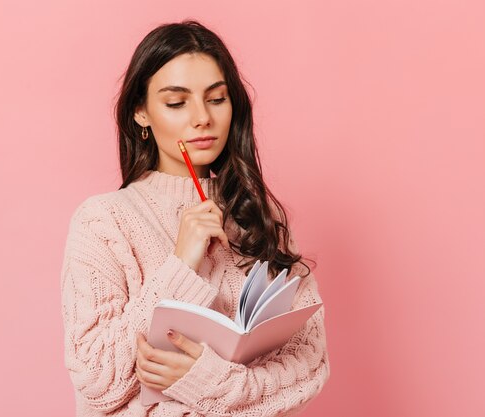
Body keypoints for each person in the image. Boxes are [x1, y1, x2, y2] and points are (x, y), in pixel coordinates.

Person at [61, 19, 330, 417]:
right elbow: (96, 381)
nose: (202, 117)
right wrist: (181, 266)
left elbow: (310, 363)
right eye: (176, 102)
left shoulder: (259, 216)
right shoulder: (103, 221)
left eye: (217, 99)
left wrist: (210, 382)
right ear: (141, 112)